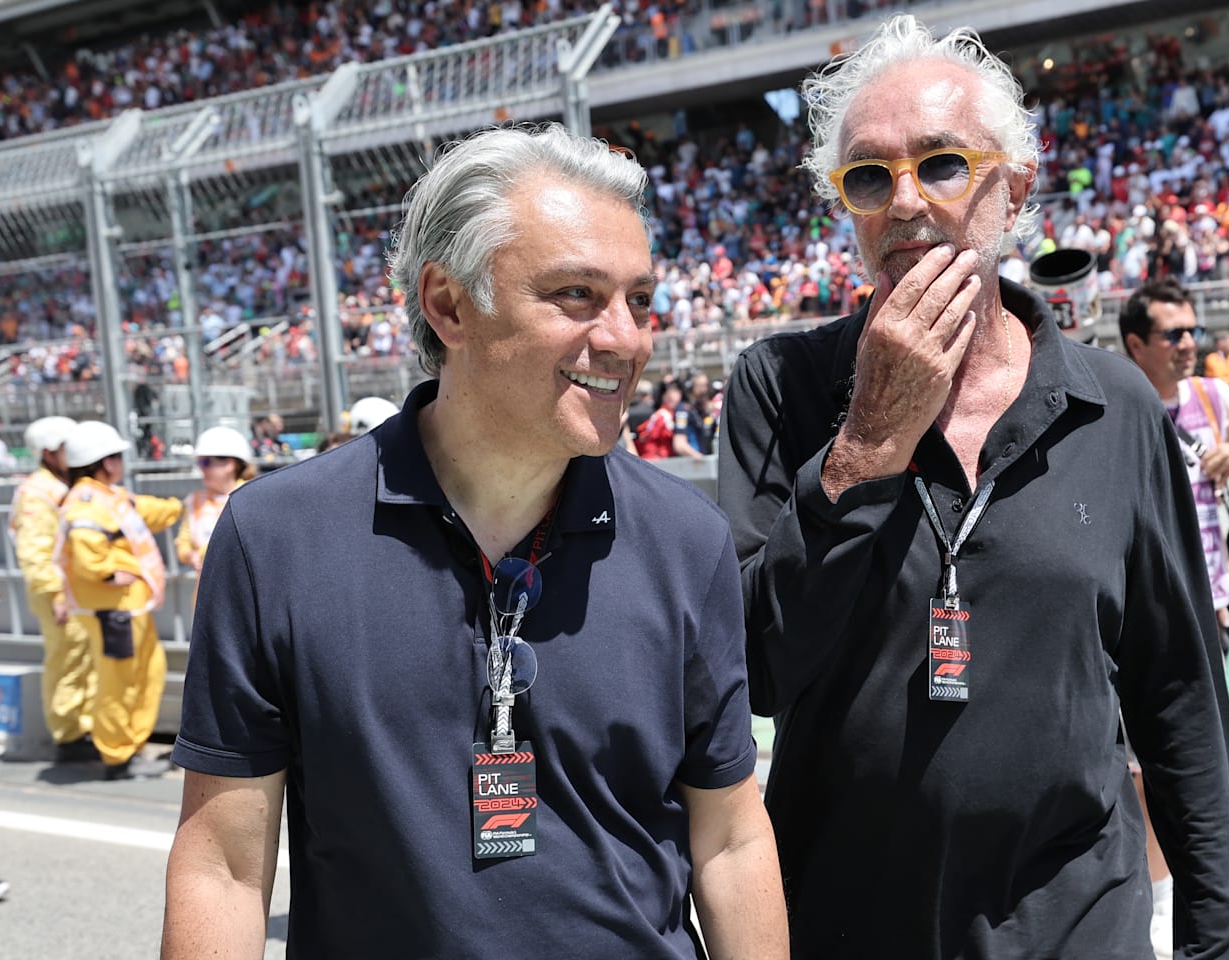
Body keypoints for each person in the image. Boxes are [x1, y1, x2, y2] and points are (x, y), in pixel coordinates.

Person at [163, 124, 787, 958]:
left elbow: (731, 836)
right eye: (576, 295)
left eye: (639, 299)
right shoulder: (276, 536)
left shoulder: (688, 541)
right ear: (449, 304)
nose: (627, 339)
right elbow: (225, 868)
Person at [717, 16, 1229, 957]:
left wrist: (1218, 939)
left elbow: (1181, 701)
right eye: (871, 177)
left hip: (1077, 916)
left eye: (942, 164)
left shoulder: (1114, 403)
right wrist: (866, 443)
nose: (906, 201)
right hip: (850, 920)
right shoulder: (781, 387)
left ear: (1014, 187)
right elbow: (755, 669)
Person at [1119, 278, 1229, 958]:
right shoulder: (1113, 400)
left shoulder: (1214, 399)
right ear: (1136, 344)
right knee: (1127, 767)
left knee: (1180, 768)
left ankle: (1162, 900)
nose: (1190, 345)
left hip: (1202, 614)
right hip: (1125, 616)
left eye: (1192, 331)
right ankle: (1145, 894)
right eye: (1173, 335)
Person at [56, 421, 183, 781]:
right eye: (117, 456)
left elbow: (147, 513)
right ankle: (118, 757)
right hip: (114, 611)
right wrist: (108, 573)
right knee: (119, 682)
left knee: (146, 674)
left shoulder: (107, 495)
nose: (121, 462)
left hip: (129, 609)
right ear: (104, 461)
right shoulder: (87, 500)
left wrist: (181, 506)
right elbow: (85, 549)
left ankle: (132, 747)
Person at [8, 416, 100, 763]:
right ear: (49, 452)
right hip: (58, 594)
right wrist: (54, 593)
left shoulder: (63, 486)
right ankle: (69, 735)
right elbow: (34, 552)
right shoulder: (37, 492)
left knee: (84, 657)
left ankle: (82, 727)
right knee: (67, 660)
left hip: (77, 591)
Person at [175, 427, 254, 602]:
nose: (201, 469)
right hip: (208, 595)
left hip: (246, 593)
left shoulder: (254, 497)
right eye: (200, 463)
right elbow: (183, 543)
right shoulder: (194, 501)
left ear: (229, 464)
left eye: (205, 463)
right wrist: (192, 557)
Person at [635, 380, 684, 460]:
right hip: (657, 461)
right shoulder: (663, 415)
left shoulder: (665, 414)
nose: (674, 397)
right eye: (669, 394)